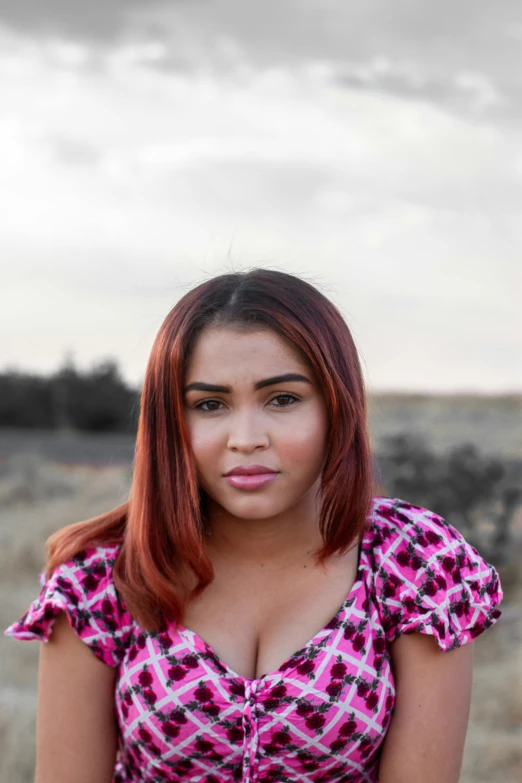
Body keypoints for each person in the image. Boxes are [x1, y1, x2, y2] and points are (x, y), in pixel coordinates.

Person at [5, 269, 502, 783]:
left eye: (282, 398)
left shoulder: (416, 561)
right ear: (171, 421)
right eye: (209, 404)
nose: (246, 438)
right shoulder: (99, 576)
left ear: (337, 405)